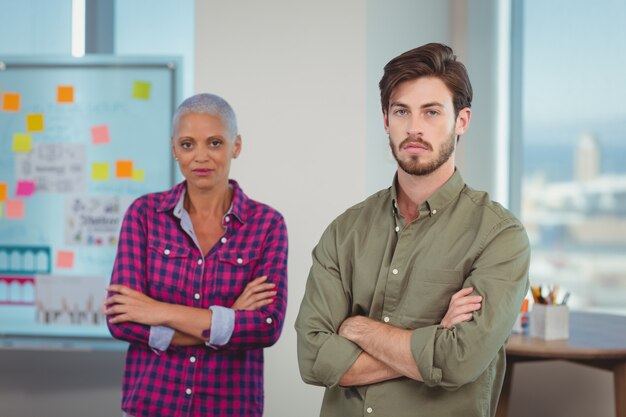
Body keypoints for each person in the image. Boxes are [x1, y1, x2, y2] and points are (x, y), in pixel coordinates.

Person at [295, 43, 530, 417]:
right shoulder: (345, 231)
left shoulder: (500, 236)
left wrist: (358, 330)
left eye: (432, 112)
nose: (415, 127)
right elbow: (313, 358)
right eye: (401, 111)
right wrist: (434, 337)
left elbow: (460, 361)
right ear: (386, 120)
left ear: (462, 120)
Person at [105, 93, 288, 417]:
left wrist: (157, 310)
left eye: (215, 143)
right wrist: (228, 318)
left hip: (229, 408)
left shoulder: (267, 224)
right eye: (188, 144)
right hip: (151, 405)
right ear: (174, 148)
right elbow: (122, 321)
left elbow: (265, 326)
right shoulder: (144, 215)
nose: (200, 156)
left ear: (236, 145)